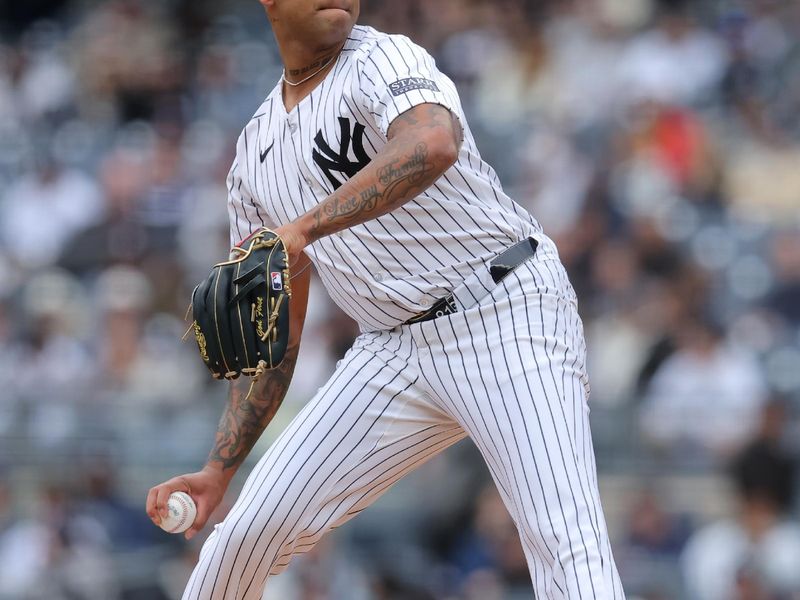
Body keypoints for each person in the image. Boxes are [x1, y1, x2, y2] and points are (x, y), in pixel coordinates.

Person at [146, 1, 624, 598]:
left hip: (504, 311)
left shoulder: (380, 57)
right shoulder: (253, 158)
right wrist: (219, 468)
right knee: (244, 537)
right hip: (391, 350)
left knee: (566, 545)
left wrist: (303, 228)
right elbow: (278, 333)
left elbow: (433, 142)